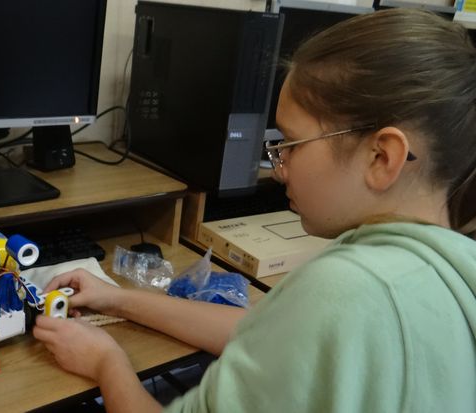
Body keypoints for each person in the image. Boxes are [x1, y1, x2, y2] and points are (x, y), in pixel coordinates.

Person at [33, 8, 476, 412]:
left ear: (382, 157)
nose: (278, 169)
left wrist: (107, 361)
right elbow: (260, 331)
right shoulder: (453, 272)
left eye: (291, 144)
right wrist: (115, 298)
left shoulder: (345, 288)